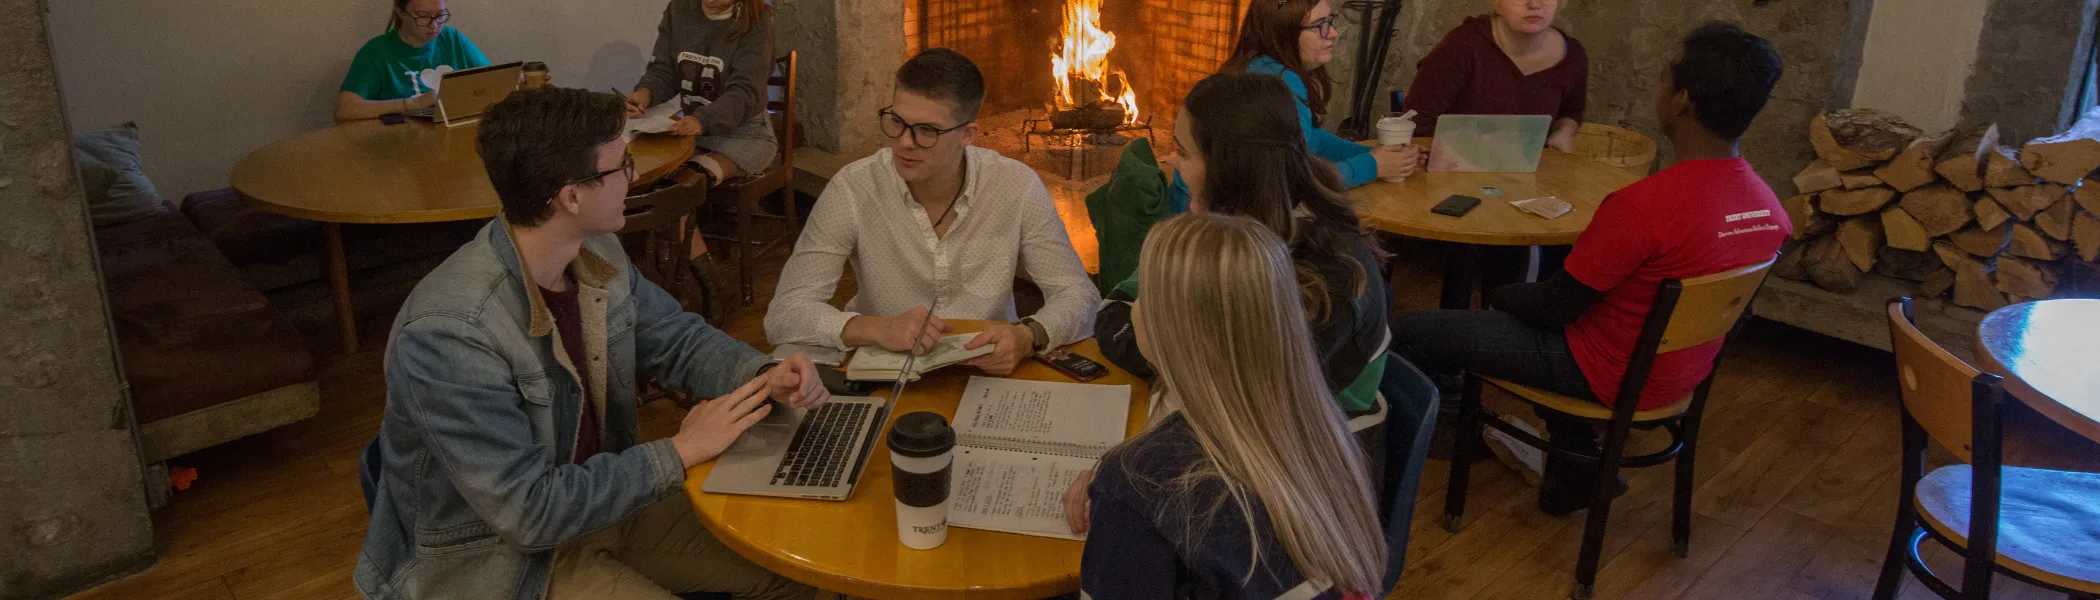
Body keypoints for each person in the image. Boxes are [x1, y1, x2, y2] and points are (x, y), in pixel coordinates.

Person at [353, 87, 824, 600]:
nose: (634, 175)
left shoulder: (595, 249)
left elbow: (676, 339)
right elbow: (529, 513)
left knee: (792, 568)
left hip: (599, 503)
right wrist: (680, 451)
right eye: (622, 163)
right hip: (502, 560)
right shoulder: (451, 332)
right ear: (571, 196)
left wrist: (763, 375)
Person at [1390, 22, 1787, 516]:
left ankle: (1425, 452)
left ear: (1682, 101)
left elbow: (1555, 307)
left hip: (1601, 371)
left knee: (1411, 331)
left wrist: (1501, 296)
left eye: (1665, 76)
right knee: (1559, 319)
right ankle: (1573, 466)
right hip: (1681, 371)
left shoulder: (1642, 206)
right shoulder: (1771, 209)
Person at [1074, 213, 1387, 599]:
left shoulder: (1136, 482)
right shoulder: (1323, 429)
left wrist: (1114, 488)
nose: (1133, 306)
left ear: (1172, 328)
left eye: (1143, 296)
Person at [764, 48, 1100, 375]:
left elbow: (1079, 295)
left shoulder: (1015, 186)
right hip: (886, 371)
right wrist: (876, 328)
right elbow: (785, 315)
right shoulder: (854, 188)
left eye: (927, 130)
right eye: (897, 121)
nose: (905, 142)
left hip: (987, 370)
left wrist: (1028, 336)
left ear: (968, 134)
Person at [1097, 72, 1389, 422]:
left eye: (1184, 153)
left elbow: (1242, 406)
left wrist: (1160, 336)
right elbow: (1115, 312)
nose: (1175, 165)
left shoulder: (1332, 281)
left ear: (1228, 170)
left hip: (1317, 453)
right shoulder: (1222, 220)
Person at [1163, 0, 1418, 211]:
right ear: (1283, 33)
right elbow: (1290, 181)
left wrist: (1370, 154)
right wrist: (1372, 166)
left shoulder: (1260, 65)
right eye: (1320, 25)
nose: (1333, 33)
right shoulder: (1278, 83)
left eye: (1331, 20)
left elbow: (1308, 138)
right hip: (1204, 223)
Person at [1402, 0, 1590, 153]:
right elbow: (1418, 121)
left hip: (1533, 174)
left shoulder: (1573, 54)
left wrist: (1564, 132)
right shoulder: (1462, 45)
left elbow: (1571, 111)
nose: (1534, 4)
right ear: (1497, 3)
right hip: (1456, 172)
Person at [626, 0, 776, 188]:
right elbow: (665, 69)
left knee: (683, 183)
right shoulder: (680, 9)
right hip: (692, 132)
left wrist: (702, 120)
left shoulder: (757, 21)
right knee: (638, 175)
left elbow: (745, 92)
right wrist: (645, 93)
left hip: (745, 134)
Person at [334, 0, 492, 122]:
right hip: (400, 147)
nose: (434, 25)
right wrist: (412, 104)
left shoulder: (453, 39)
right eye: (422, 16)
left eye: (440, 15)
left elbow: (494, 82)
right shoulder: (377, 51)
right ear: (400, 12)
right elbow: (344, 110)